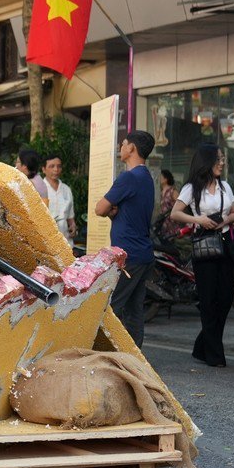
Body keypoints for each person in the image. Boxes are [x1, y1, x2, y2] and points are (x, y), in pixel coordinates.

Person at [169, 145, 234, 367]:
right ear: (206, 161)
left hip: (226, 245)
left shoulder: (224, 187)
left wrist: (224, 221)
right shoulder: (191, 188)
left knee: (225, 298)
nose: (222, 162)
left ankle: (202, 346)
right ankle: (215, 355)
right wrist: (199, 220)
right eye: (217, 159)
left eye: (222, 159)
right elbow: (175, 212)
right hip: (204, 247)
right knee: (208, 301)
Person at [94, 131, 156, 346]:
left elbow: (99, 208)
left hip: (128, 254)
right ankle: (134, 357)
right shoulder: (146, 177)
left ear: (131, 148)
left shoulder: (128, 177)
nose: (121, 147)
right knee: (134, 310)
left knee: (110, 307)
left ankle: (101, 353)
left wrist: (110, 210)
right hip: (143, 253)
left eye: (123, 144)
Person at [41, 153, 77, 246]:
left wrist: (73, 226)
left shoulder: (66, 189)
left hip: (65, 241)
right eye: (51, 166)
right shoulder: (38, 189)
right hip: (46, 241)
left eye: (59, 166)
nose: (56, 170)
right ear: (44, 169)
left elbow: (70, 217)